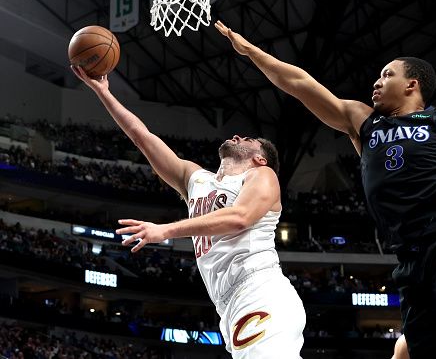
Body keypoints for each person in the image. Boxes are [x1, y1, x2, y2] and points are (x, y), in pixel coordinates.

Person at [215, 20, 436, 359]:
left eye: (387, 75)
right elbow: (301, 84)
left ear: (412, 84)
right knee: (424, 350)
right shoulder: (363, 121)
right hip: (408, 256)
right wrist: (252, 51)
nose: (377, 81)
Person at [70, 66, 306, 359]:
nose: (237, 136)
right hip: (228, 305)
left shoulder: (262, 176)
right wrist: (103, 93)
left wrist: (165, 230)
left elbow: (240, 218)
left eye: (247, 139)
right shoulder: (196, 179)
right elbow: (140, 136)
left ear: (259, 158)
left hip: (260, 289)